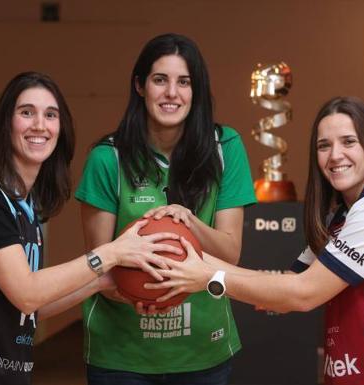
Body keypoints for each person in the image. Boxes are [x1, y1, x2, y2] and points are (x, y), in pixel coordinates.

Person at [149, 96, 364, 384]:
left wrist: (208, 276)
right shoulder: (340, 218)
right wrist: (189, 253)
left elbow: (303, 294)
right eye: (323, 145)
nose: (335, 155)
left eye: (348, 142)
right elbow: (285, 286)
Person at [0, 71, 181, 385]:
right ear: (6, 123)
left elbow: (31, 308)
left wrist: (106, 282)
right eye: (26, 112)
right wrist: (110, 253)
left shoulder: (28, 209)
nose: (39, 125)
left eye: (51, 115)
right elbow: (27, 294)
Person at [75, 34, 256, 384]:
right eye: (160, 80)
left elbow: (230, 252)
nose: (172, 93)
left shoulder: (226, 147)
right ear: (140, 86)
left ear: (196, 90)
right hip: (121, 352)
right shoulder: (107, 158)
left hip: (202, 346)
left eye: (184, 82)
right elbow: (98, 265)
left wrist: (189, 221)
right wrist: (139, 295)